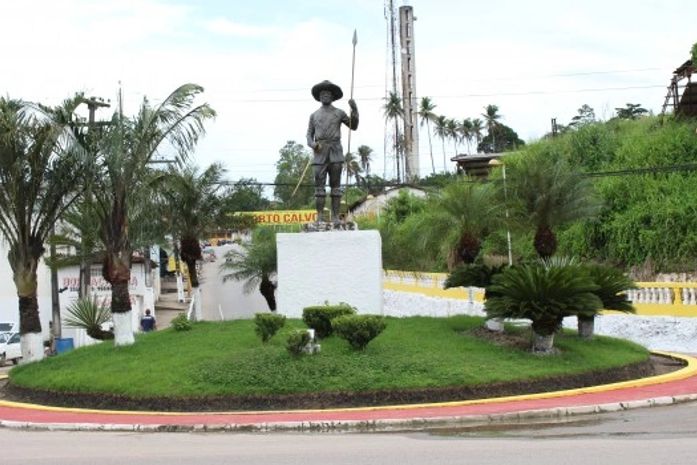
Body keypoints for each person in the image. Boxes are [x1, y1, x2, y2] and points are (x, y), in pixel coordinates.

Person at [306, 80, 359, 224]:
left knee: (335, 187)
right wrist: (313, 144)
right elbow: (308, 136)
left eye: (327, 94)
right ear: (319, 97)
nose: (325, 96)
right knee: (319, 187)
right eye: (322, 94)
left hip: (335, 150)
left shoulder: (339, 113)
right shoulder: (314, 115)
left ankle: (335, 217)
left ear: (332, 96)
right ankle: (319, 217)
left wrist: (354, 111)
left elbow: (353, 126)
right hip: (320, 152)